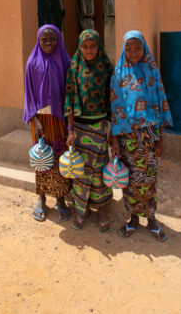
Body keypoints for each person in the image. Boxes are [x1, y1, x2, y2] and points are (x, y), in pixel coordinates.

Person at [110, 30, 173, 241]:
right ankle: (134, 218)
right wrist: (115, 141)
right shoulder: (118, 74)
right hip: (127, 137)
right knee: (129, 181)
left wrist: (160, 139)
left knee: (149, 179)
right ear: (124, 50)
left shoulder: (152, 71)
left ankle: (152, 219)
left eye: (137, 48)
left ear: (144, 48)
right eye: (129, 49)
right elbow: (115, 108)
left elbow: (160, 103)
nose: (133, 52)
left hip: (148, 136)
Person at [64, 29, 114, 232]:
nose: (89, 50)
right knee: (81, 172)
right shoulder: (74, 67)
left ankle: (102, 210)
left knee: (100, 171)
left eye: (92, 46)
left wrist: (113, 130)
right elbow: (68, 98)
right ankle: (81, 211)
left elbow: (113, 99)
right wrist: (70, 130)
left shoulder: (106, 67)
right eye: (84, 46)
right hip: (80, 128)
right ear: (79, 47)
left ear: (98, 46)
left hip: (100, 127)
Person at [24, 24, 72, 222]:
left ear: (58, 39)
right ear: (38, 40)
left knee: (59, 158)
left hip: (60, 120)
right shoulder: (32, 63)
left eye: (52, 39)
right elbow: (28, 93)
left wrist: (70, 123)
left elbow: (70, 92)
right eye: (44, 40)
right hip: (41, 121)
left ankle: (60, 198)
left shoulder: (66, 62)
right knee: (42, 159)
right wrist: (34, 119)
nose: (49, 43)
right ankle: (41, 197)